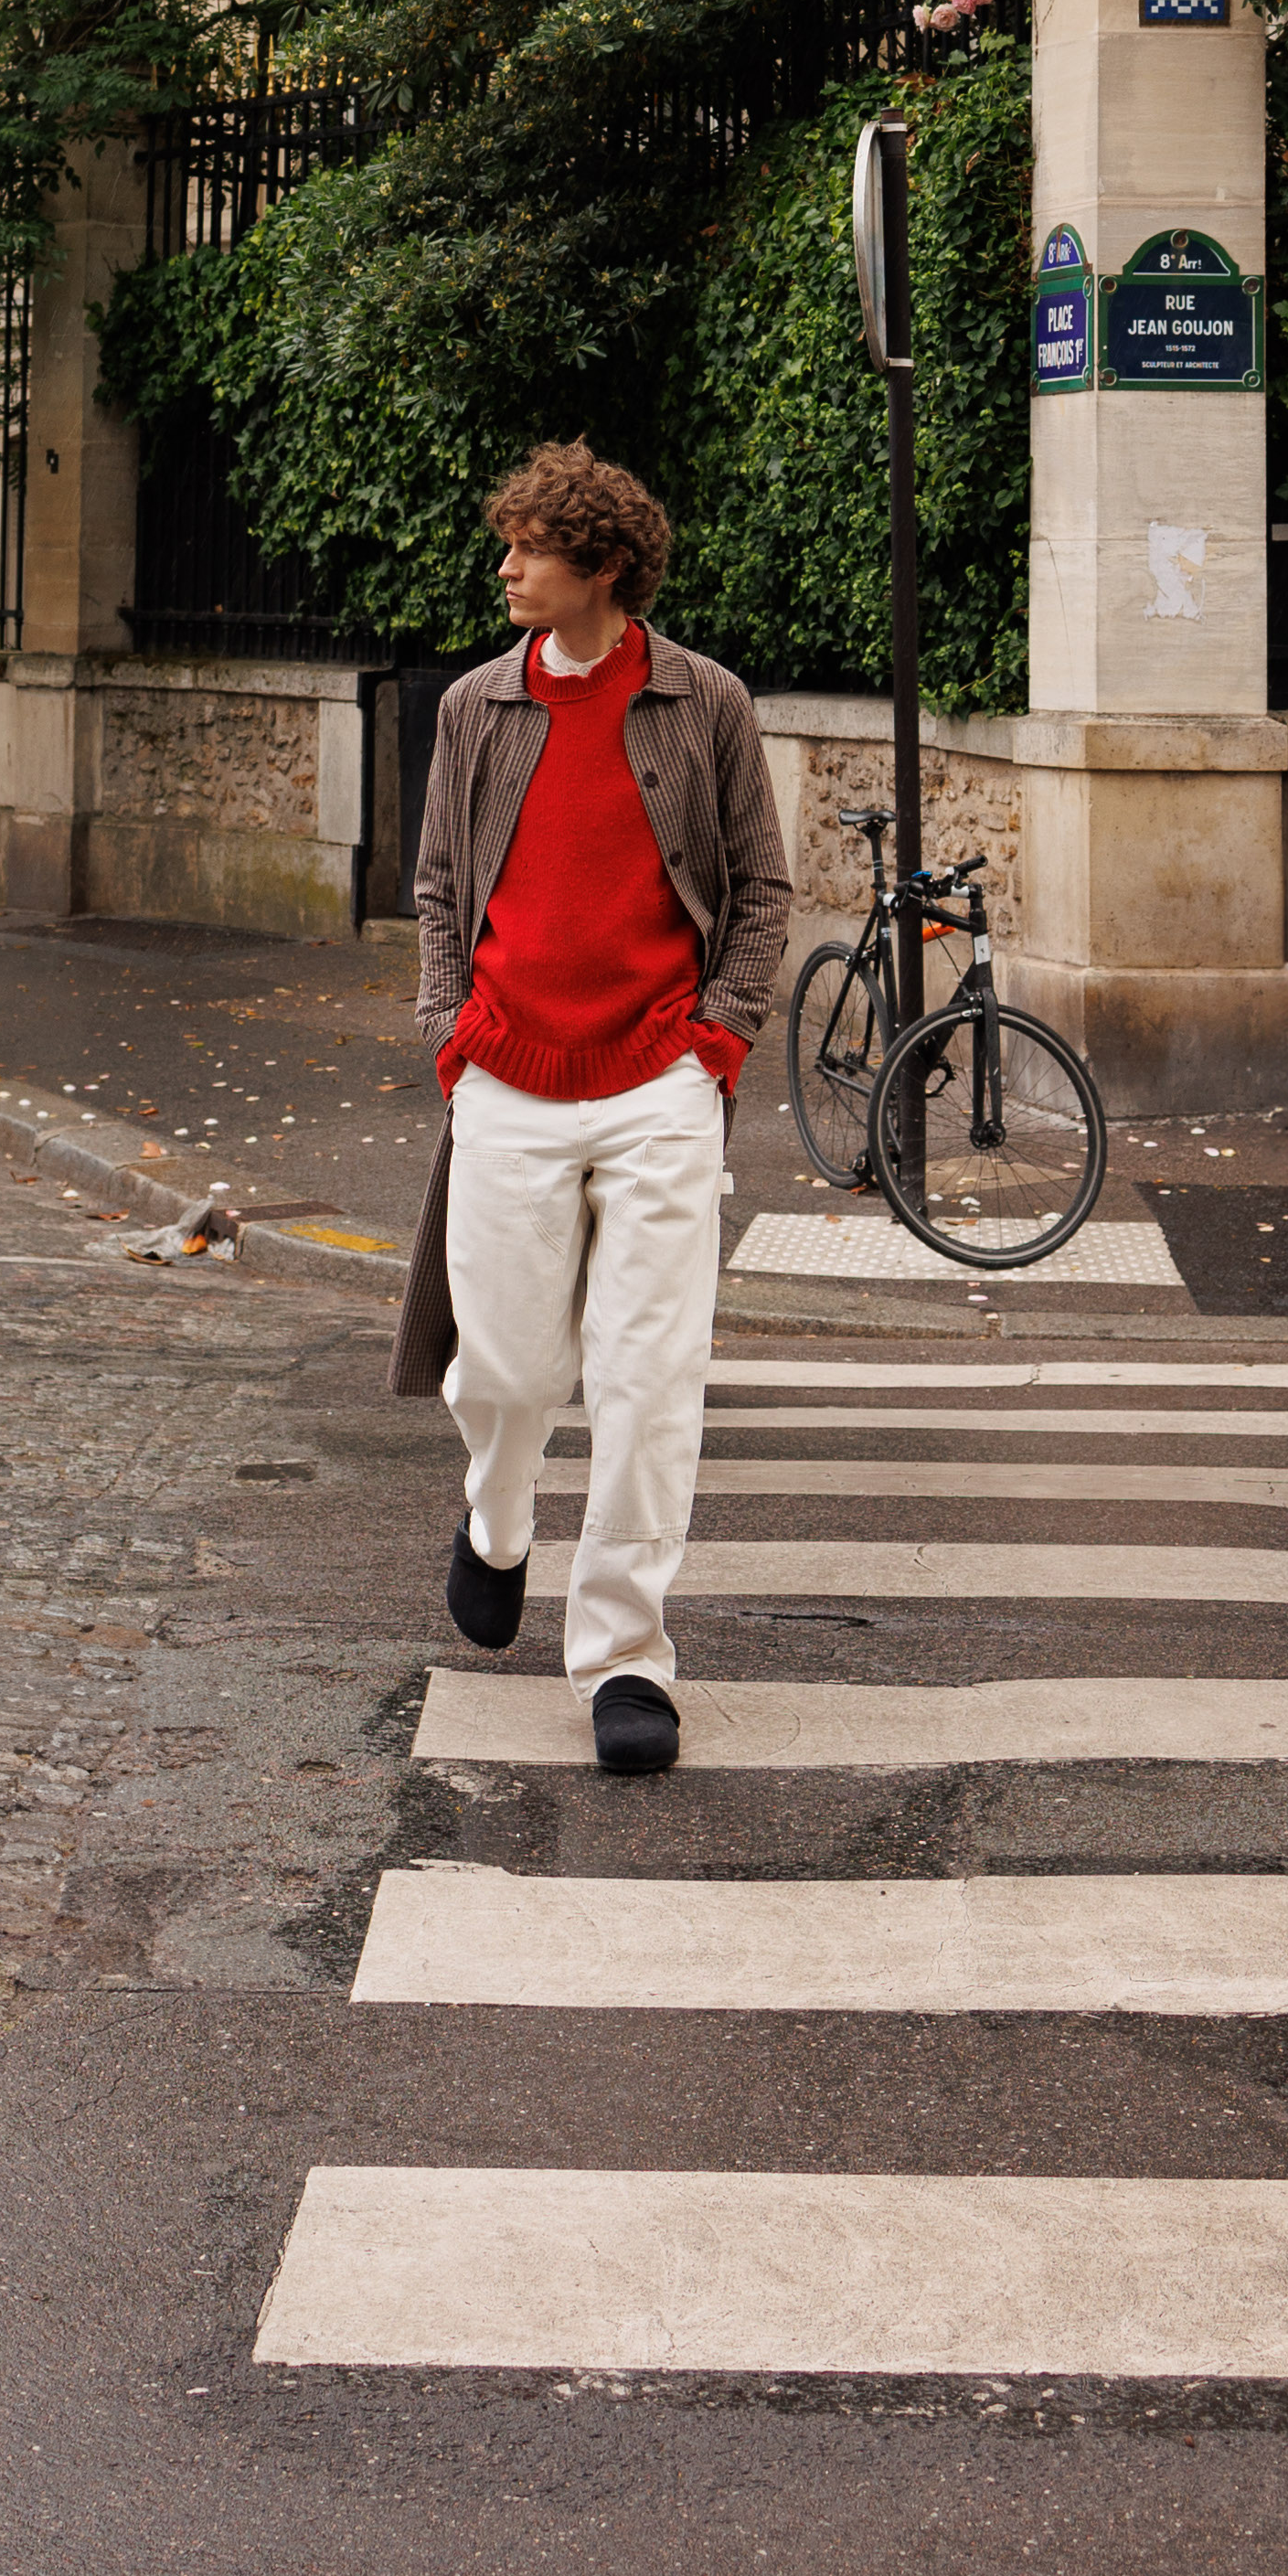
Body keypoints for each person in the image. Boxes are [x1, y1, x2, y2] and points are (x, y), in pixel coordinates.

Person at [410, 441, 791, 1774]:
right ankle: (498, 1523)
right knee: (509, 1368)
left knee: (647, 1379)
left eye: (530, 548)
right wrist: (450, 1033)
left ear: (604, 567)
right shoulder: (476, 708)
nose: (507, 567)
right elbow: (441, 890)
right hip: (508, 1076)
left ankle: (626, 1656)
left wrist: (717, 1041)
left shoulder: (706, 704)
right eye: (507, 543)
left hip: (658, 1090)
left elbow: (762, 887)